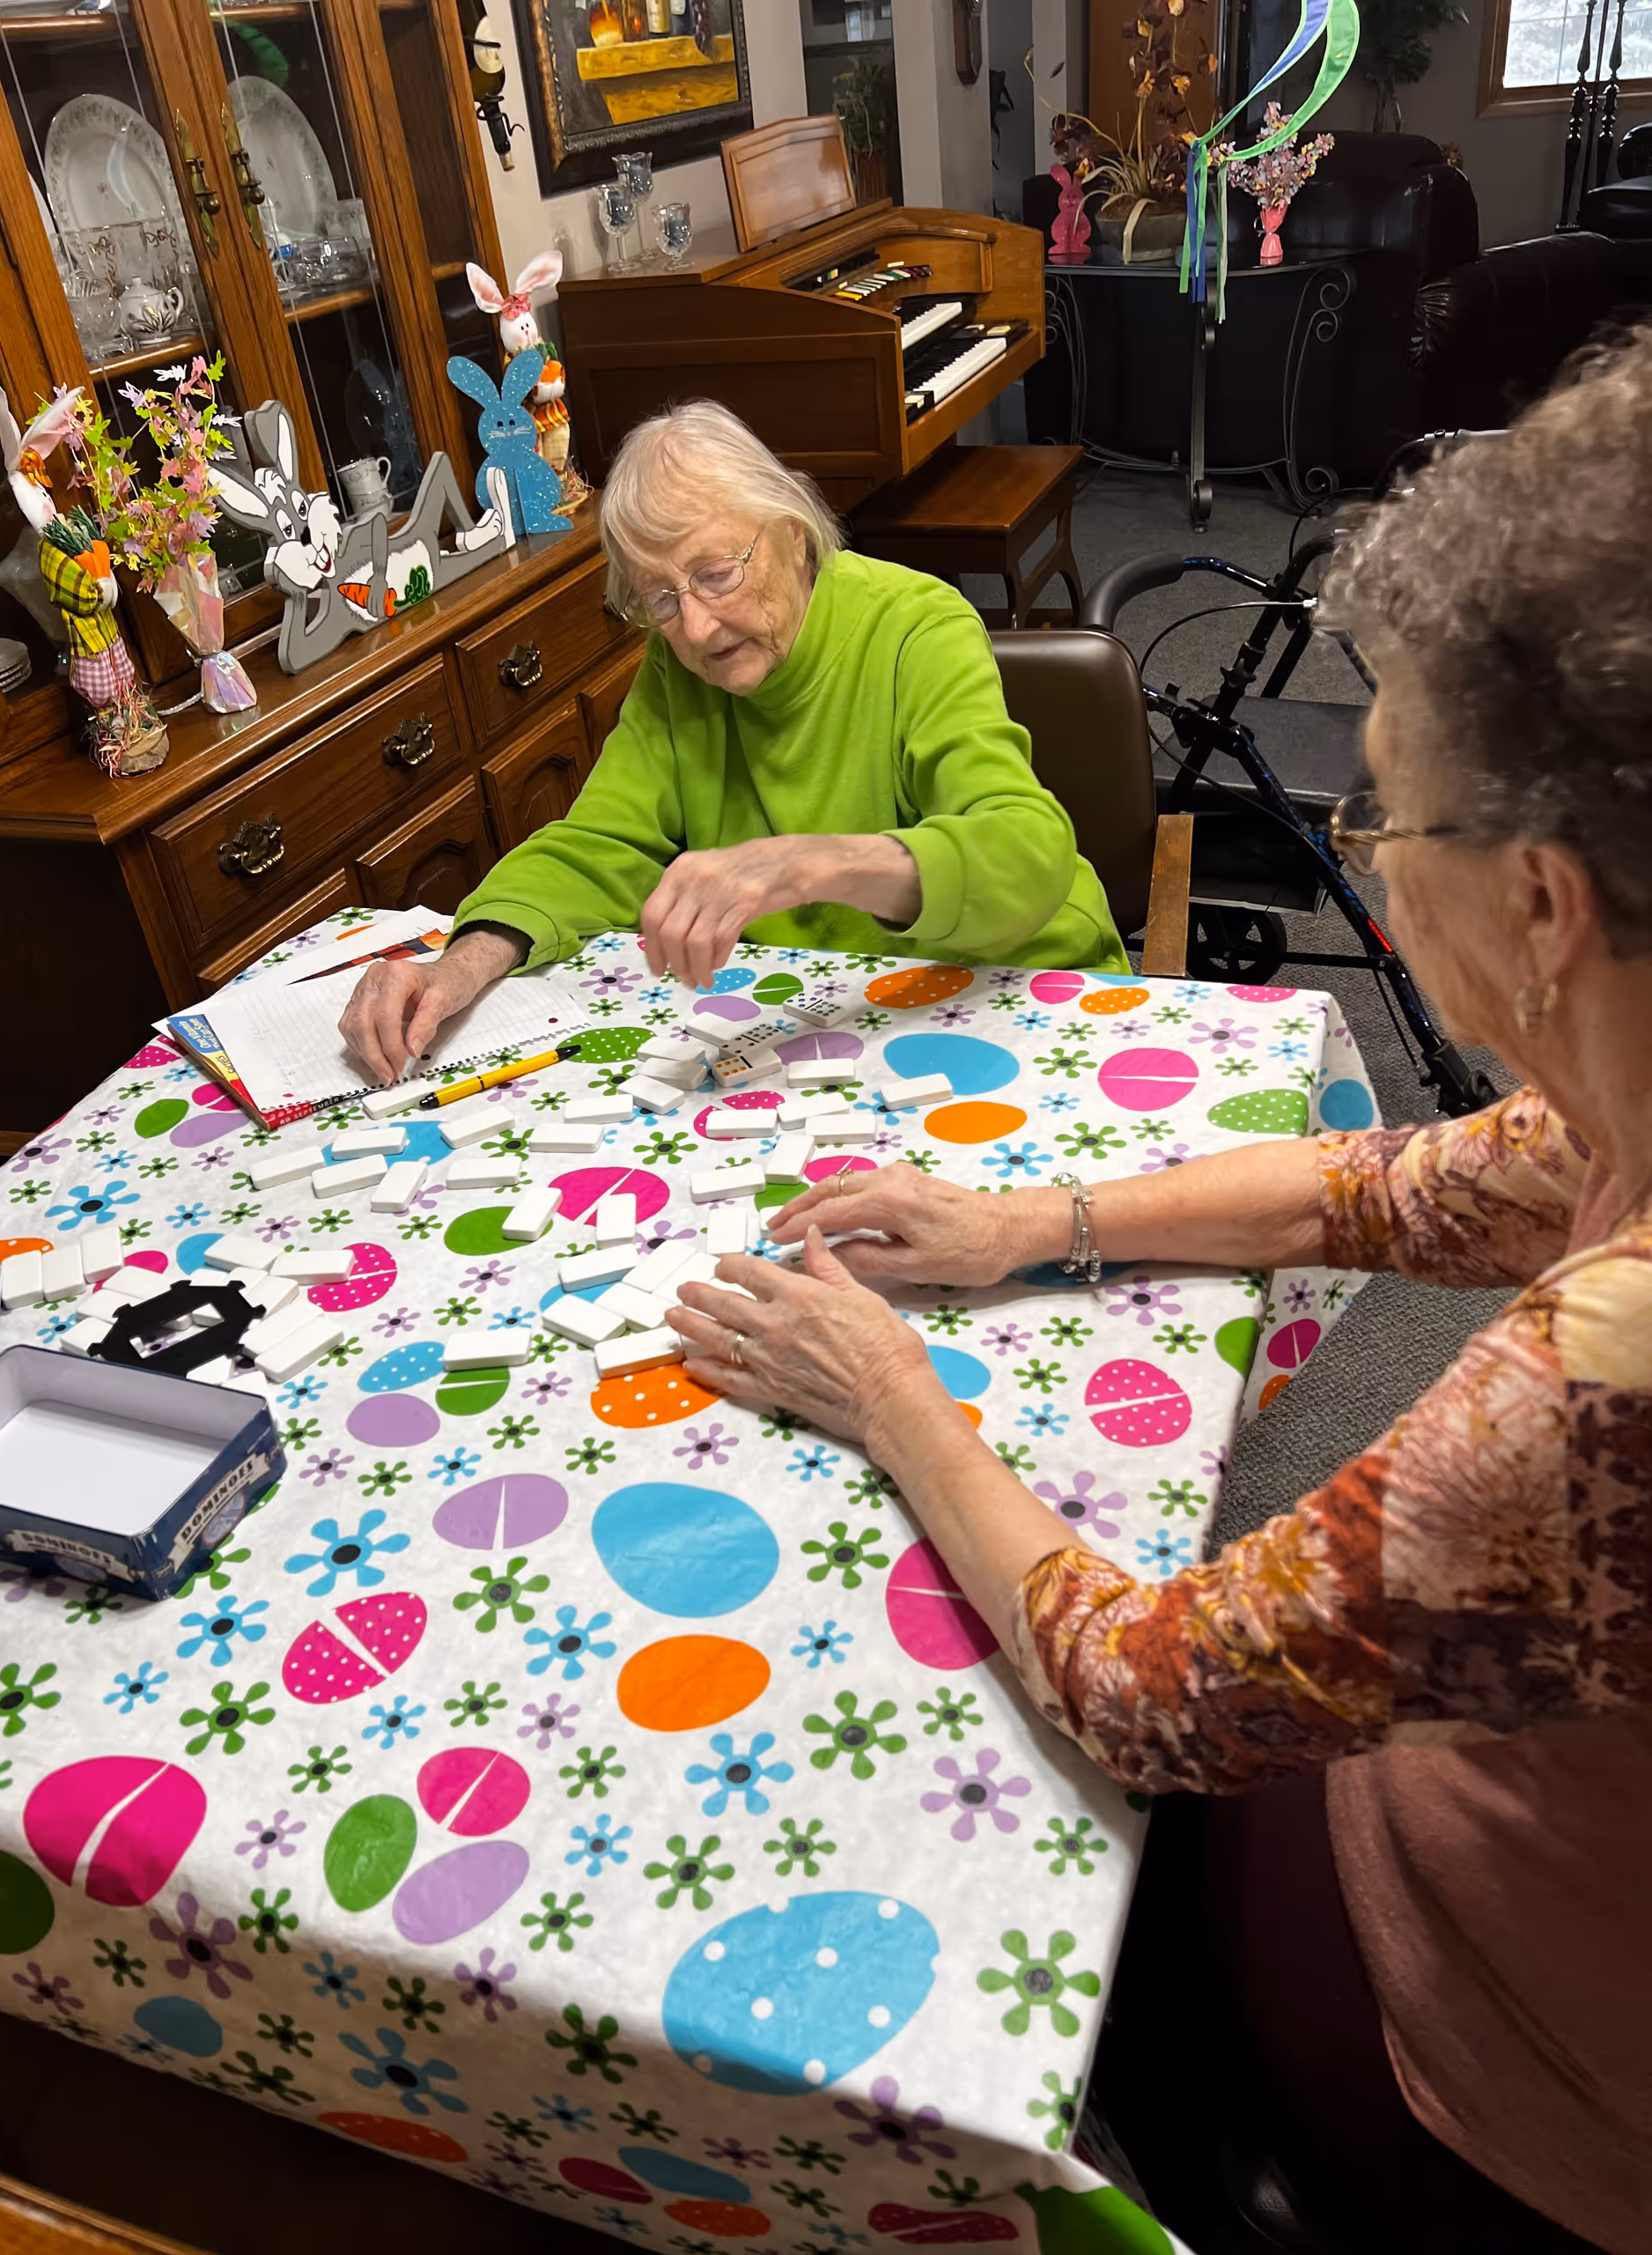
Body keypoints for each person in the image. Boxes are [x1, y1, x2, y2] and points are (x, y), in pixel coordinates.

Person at [667, 335, 1652, 2253]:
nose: (1370, 860)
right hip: (1475, 1846)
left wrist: (892, 1388)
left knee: (955, 1880)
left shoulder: (1600, 1372)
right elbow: (1390, 1182)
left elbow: (1154, 1683)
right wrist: (1031, 1223)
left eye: (1387, 821)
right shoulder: (1617, 1091)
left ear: (1542, 904)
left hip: (1491, 2091)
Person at [338, 401, 1125, 1083]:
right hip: (823, 1026)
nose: (696, 626)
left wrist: (811, 864)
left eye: (717, 574)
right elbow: (596, 846)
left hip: (1012, 988)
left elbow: (1025, 851)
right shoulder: (682, 660)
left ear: (790, 533)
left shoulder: (917, 624)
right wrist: (462, 962)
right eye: (659, 597)